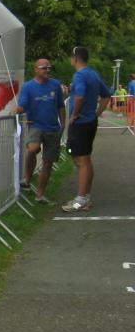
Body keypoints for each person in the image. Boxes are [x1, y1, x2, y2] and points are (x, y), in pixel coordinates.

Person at [61, 46, 110, 212]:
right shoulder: (93, 74)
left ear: (75, 58)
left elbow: (80, 96)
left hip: (80, 123)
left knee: (80, 161)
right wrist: (96, 114)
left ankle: (80, 199)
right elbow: (106, 95)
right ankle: (86, 197)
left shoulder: (79, 75)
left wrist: (74, 114)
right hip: (90, 122)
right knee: (86, 160)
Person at [13, 58, 64, 203]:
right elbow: (23, 105)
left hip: (53, 128)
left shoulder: (55, 85)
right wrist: (17, 110)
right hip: (36, 125)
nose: (47, 70)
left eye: (49, 68)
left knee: (48, 162)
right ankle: (27, 179)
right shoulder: (28, 87)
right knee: (33, 149)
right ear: (36, 69)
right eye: (44, 68)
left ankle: (40, 195)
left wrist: (63, 124)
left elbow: (61, 106)